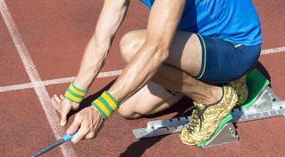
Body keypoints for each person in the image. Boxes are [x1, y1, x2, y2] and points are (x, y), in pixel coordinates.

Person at [51, 0, 262, 146]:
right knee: (127, 107)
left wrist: (100, 109)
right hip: (195, 42)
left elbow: (157, 49)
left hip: (235, 47)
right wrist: (74, 95)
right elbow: (101, 40)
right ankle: (220, 83)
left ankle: (214, 98)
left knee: (133, 46)